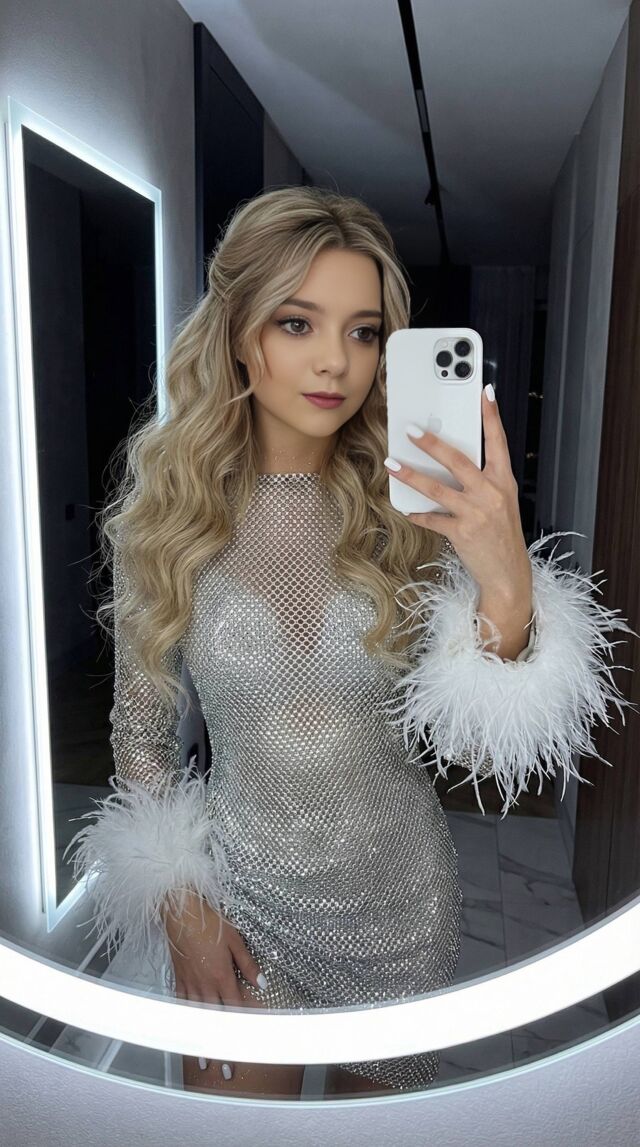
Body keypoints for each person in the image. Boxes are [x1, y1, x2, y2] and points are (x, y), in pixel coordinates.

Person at [66, 186, 636, 1100]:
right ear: (238, 329)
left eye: (364, 332)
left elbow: (480, 755)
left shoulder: (410, 519)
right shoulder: (171, 520)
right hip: (241, 900)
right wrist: (181, 904)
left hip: (400, 909)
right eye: (298, 322)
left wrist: (505, 585)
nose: (337, 360)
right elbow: (140, 741)